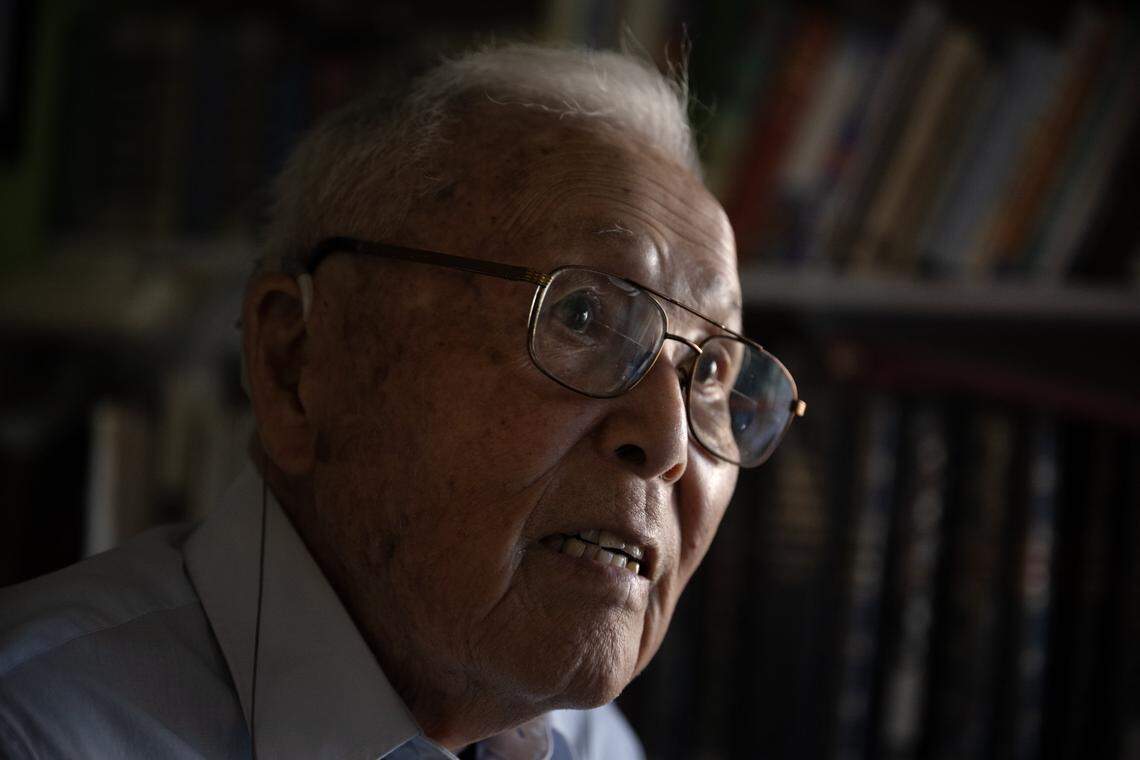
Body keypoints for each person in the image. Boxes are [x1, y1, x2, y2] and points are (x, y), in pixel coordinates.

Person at [0, 44, 804, 758]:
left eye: (710, 376)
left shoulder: (594, 748)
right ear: (295, 363)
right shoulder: (35, 724)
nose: (665, 439)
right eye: (582, 316)